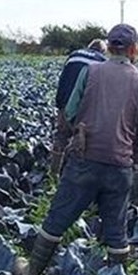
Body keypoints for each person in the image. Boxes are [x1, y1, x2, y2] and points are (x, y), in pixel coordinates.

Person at [14, 24, 138, 275]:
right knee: (116, 228)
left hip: (85, 160)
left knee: (58, 217)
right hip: (120, 166)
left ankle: (31, 273)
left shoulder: (89, 71)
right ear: (133, 49)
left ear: (109, 47)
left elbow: (70, 112)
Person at [50, 38, 107, 175]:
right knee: (83, 138)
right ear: (102, 51)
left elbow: (63, 79)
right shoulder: (102, 61)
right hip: (84, 104)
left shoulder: (74, 55)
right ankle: (76, 173)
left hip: (65, 99)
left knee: (61, 135)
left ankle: (54, 172)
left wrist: (59, 105)